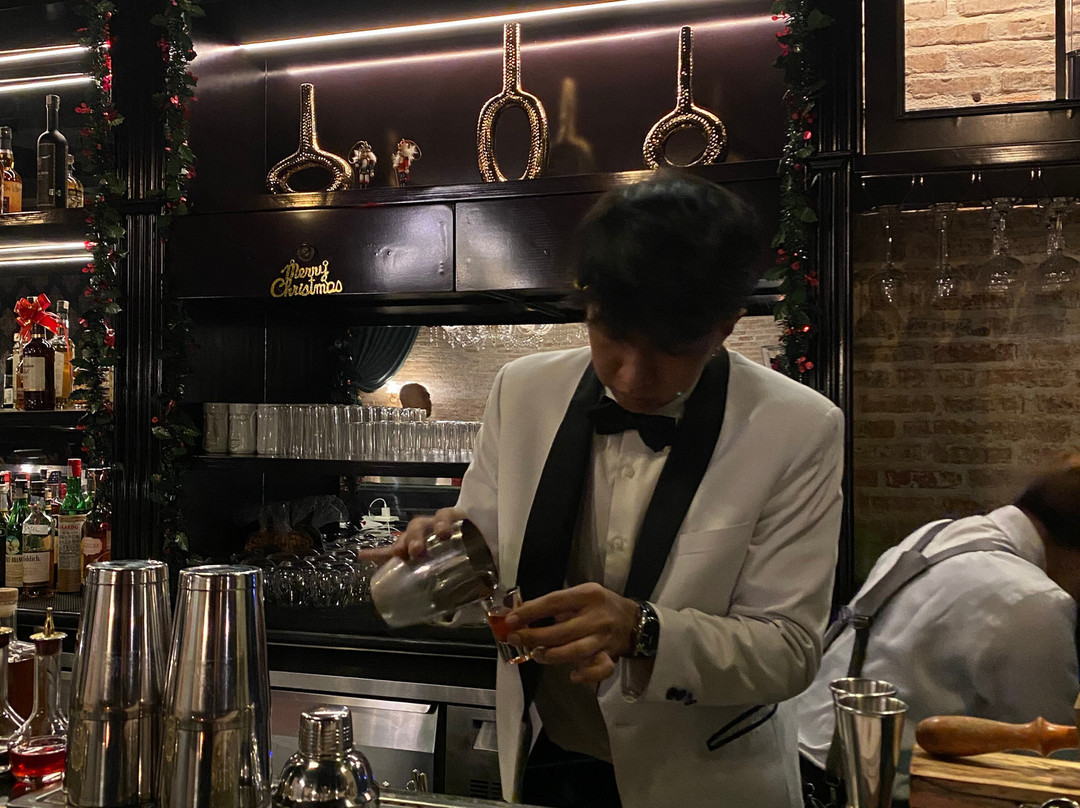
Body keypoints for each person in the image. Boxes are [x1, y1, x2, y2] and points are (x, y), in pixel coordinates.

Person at [395, 173, 845, 808]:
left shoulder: (798, 427)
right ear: (590, 304)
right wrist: (445, 557)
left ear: (725, 326)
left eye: (671, 350)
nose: (632, 376)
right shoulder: (521, 391)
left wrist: (642, 630)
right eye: (611, 337)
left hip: (703, 785)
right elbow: (489, 566)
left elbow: (791, 650)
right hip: (546, 760)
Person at [795, 464, 1080, 806]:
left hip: (802, 752)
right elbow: (1053, 762)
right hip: (865, 789)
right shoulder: (1032, 599)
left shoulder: (937, 533)